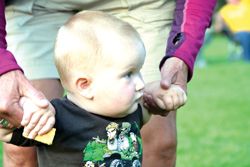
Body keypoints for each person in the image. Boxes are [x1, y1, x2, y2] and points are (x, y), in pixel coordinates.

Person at [0, 0, 216, 167]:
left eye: (139, 73)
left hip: (137, 6)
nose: (141, 84)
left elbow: (152, 104)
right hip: (38, 6)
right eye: (128, 75)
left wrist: (162, 93)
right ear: (85, 85)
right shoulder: (58, 119)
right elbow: (6, 130)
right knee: (21, 153)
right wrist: (29, 114)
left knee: (160, 139)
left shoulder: (130, 112)